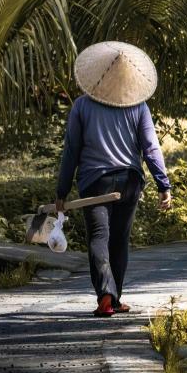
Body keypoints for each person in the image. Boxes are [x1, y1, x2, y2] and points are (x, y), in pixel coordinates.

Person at [55, 41, 172, 317]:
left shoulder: (82, 106)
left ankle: (107, 295)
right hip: (129, 182)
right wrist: (163, 184)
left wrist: (61, 191)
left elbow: (71, 151)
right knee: (119, 239)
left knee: (99, 236)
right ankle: (114, 298)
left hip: (95, 183)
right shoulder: (139, 107)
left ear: (97, 74)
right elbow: (150, 147)